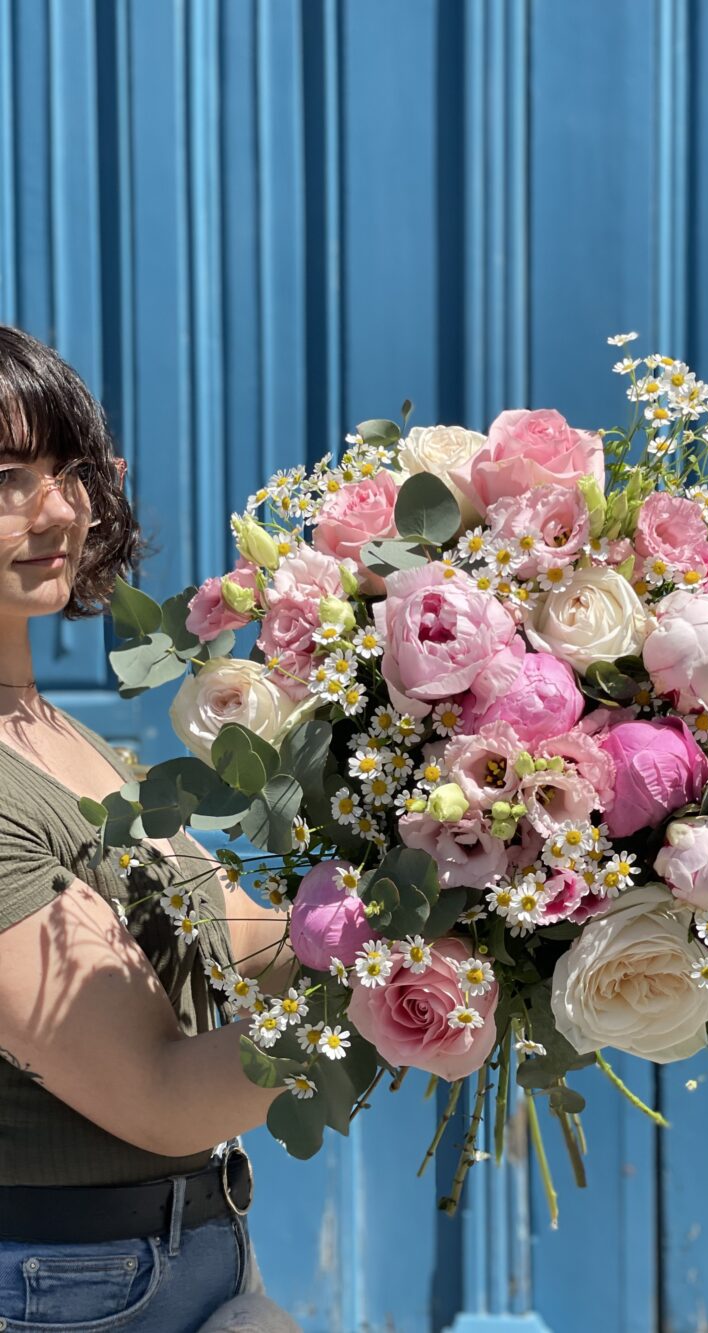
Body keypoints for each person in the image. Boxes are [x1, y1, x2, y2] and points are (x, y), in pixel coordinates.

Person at [0, 326, 302, 1331]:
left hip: (161, 1263)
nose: (61, 509)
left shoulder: (55, 734)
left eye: (74, 470)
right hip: (69, 1287)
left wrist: (439, 886)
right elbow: (161, 1093)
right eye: (9, 476)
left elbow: (233, 933)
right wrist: (400, 999)